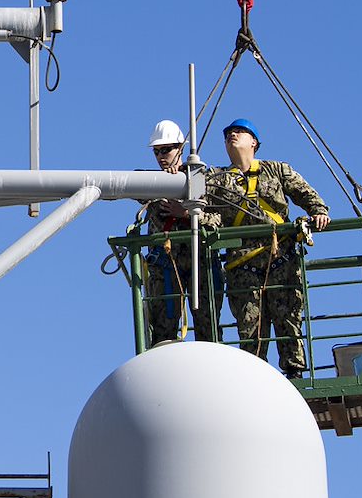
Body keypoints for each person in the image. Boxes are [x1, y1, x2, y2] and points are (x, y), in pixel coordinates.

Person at [206, 118, 329, 376]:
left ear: (254, 142)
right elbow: (200, 208)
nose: (232, 135)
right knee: (250, 332)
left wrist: (318, 212)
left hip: (280, 259)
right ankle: (253, 381)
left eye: (239, 132)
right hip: (243, 267)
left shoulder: (276, 170)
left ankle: (294, 375)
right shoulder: (215, 180)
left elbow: (308, 195)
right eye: (228, 133)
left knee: (288, 323)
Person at [138, 120, 218, 345]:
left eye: (166, 150)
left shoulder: (203, 180)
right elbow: (128, 182)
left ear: (181, 149)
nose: (161, 156)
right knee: (163, 330)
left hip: (198, 263)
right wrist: (166, 180)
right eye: (157, 152)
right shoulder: (152, 183)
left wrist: (185, 212)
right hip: (165, 265)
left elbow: (216, 219)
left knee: (207, 327)